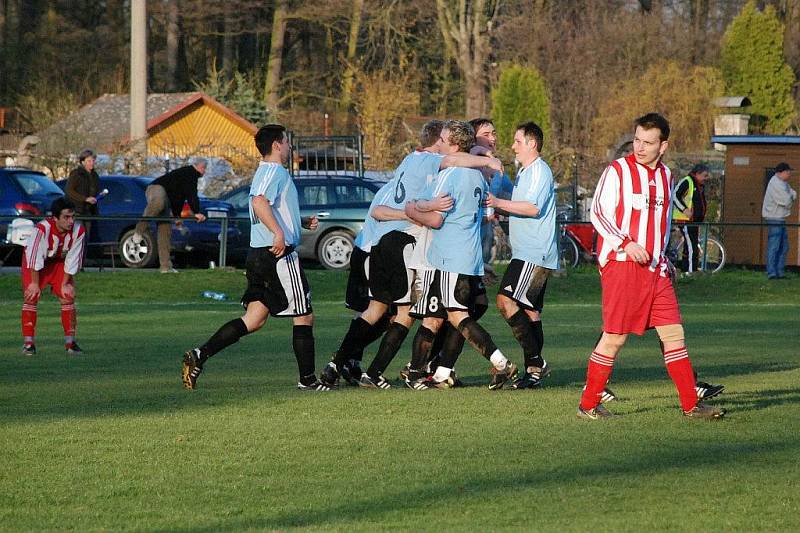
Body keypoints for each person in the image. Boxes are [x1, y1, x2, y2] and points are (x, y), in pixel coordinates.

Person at [320, 120, 502, 389]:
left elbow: (381, 211)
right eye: (441, 140)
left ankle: (339, 364)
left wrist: (419, 207)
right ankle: (387, 372)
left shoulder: (408, 163)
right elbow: (452, 162)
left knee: (379, 312)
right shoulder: (430, 161)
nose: (443, 146)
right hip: (400, 245)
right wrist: (489, 160)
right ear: (436, 143)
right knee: (406, 314)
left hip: (378, 244)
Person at [577, 113, 725, 420]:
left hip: (657, 271)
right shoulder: (618, 170)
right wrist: (625, 243)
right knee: (615, 338)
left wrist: (665, 255)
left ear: (663, 146)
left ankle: (691, 405)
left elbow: (663, 221)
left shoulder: (667, 177)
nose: (640, 147)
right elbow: (598, 213)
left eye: (648, 142)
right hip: (622, 265)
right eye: (637, 140)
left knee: (674, 334)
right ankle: (589, 404)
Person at [182, 124, 330, 391]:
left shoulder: (266, 172)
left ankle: (199, 355)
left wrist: (298, 222)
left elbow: (268, 206)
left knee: (254, 320)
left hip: (259, 255)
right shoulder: (274, 171)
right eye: (286, 141)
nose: (288, 146)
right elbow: (259, 202)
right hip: (277, 255)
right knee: (304, 316)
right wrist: (278, 234)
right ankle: (308, 381)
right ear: (276, 144)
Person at [405, 120, 518, 390]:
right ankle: (426, 371)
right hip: (466, 255)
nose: (439, 144)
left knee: (457, 315)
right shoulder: (476, 175)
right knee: (446, 316)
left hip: (450, 257)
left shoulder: (452, 174)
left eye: (443, 140)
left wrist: (413, 207)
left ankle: (502, 363)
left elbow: (435, 219)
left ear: (455, 145)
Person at [487, 122, 558, 389]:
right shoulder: (526, 171)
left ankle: (536, 362)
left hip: (533, 252)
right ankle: (533, 372)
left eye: (517, 141)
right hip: (532, 252)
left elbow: (532, 207)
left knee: (505, 302)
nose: (513, 145)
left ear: (532, 143)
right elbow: (521, 206)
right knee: (529, 313)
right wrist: (501, 208)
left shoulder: (539, 170)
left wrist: (497, 203)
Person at [21, 197, 86, 356]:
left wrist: (64, 283)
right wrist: (34, 283)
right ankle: (29, 344)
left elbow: (72, 259)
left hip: (60, 263)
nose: (71, 221)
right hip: (36, 264)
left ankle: (70, 344)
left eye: (73, 216)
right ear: (55, 218)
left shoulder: (79, 230)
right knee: (32, 295)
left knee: (67, 295)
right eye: (66, 217)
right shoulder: (42, 229)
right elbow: (34, 257)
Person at [133, 158, 208, 273]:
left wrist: (177, 216)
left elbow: (178, 198)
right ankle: (139, 230)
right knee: (159, 202)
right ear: (201, 167)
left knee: (165, 229)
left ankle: (165, 267)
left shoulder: (185, 177)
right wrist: (196, 212)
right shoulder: (191, 173)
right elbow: (192, 194)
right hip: (156, 188)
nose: (205, 172)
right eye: (205, 169)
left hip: (168, 199)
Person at [468, 118, 514, 283]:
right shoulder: (465, 168)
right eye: (486, 134)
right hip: (465, 252)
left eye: (493, 133)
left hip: (483, 253)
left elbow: (513, 198)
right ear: (472, 138)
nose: (492, 138)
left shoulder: (498, 169)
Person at [671, 163, 710, 273]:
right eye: (705, 175)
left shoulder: (699, 185)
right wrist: (684, 210)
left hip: (695, 221)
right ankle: (690, 272)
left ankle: (685, 269)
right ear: (697, 174)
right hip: (686, 220)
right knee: (692, 246)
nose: (706, 178)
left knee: (690, 246)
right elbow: (675, 195)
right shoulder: (687, 181)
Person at [762, 162, 796, 280]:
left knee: (783, 247)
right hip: (774, 218)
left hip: (780, 218)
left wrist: (790, 197)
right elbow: (786, 201)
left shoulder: (783, 183)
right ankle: (772, 272)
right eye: (787, 171)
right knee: (774, 246)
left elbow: (793, 194)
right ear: (780, 172)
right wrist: (791, 198)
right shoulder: (775, 184)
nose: (789, 173)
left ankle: (779, 272)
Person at [65, 148, 100, 241]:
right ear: (83, 162)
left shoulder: (95, 175)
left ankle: (83, 254)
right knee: (78, 236)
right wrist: (84, 199)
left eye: (93, 160)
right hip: (77, 210)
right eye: (89, 161)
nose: (92, 163)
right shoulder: (77, 174)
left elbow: (94, 190)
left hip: (88, 211)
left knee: (86, 238)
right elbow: (69, 190)